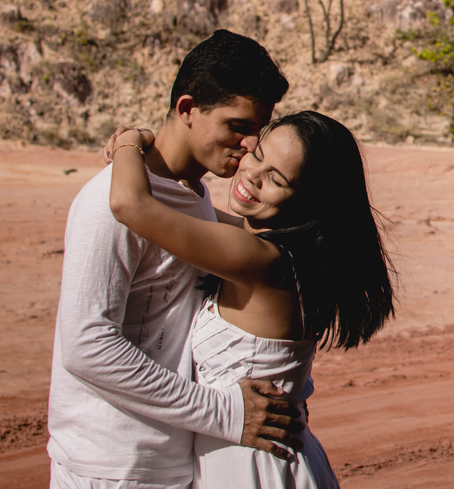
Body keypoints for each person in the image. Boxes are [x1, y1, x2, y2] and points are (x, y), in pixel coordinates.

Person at [47, 30, 297, 489]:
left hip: (167, 460)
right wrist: (223, 412)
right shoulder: (109, 203)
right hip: (112, 467)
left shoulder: (190, 197)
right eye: (237, 126)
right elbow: (86, 346)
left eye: (256, 132)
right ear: (187, 109)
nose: (248, 146)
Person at [107, 110, 395, 488]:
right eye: (258, 155)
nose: (253, 175)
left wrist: (129, 141)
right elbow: (194, 213)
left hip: (253, 467)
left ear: (308, 200)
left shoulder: (258, 258)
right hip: (267, 456)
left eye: (276, 178)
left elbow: (130, 205)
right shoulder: (297, 253)